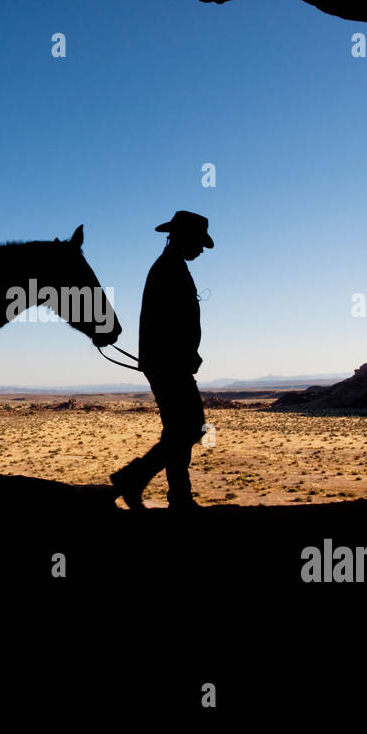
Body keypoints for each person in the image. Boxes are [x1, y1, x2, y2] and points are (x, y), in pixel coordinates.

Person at [110, 211, 213, 511]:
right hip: (170, 365)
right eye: (198, 243)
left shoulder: (170, 265)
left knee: (178, 430)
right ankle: (134, 478)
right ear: (183, 237)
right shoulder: (169, 268)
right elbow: (167, 324)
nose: (200, 250)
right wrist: (184, 355)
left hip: (168, 363)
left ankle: (178, 496)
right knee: (192, 427)